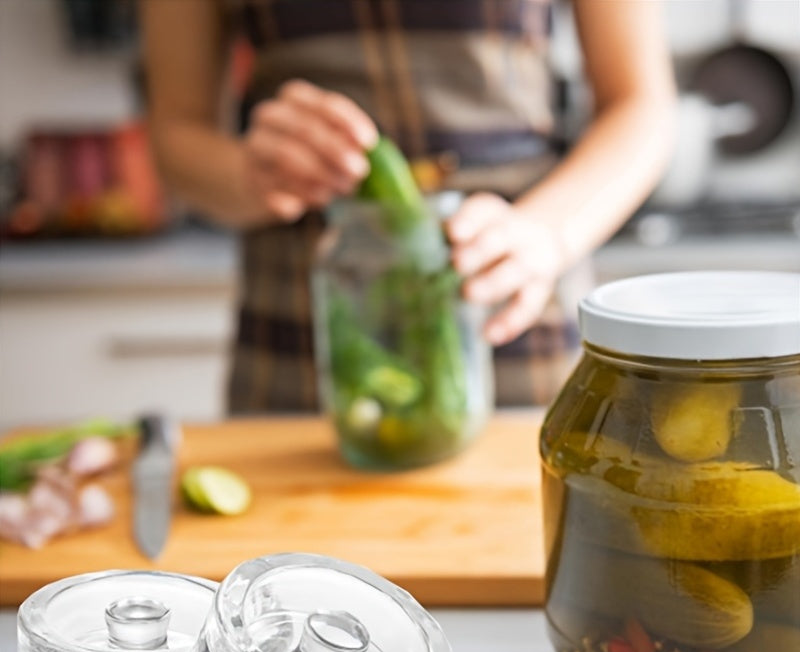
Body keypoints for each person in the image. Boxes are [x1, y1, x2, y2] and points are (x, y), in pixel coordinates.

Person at [140, 0, 675, 411]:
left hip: (510, 283)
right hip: (306, 310)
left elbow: (642, 103)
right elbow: (175, 134)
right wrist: (249, 175)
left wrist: (547, 232)